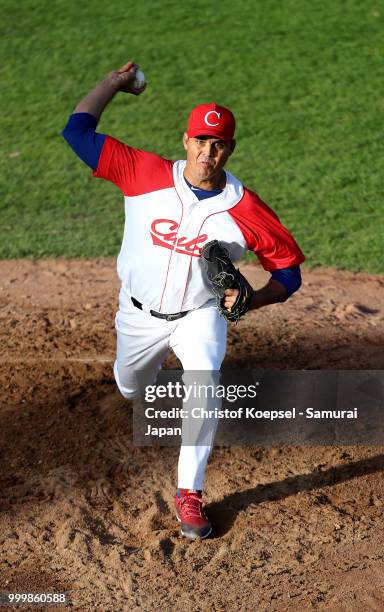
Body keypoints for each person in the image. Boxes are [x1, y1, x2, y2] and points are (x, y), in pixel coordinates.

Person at [62, 60, 305, 540]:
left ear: (229, 148)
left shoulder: (247, 209)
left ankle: (189, 493)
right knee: (133, 388)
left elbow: (289, 274)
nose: (208, 152)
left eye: (218, 144)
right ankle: (143, 382)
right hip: (137, 314)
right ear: (185, 141)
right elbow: (76, 131)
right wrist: (112, 84)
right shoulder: (142, 172)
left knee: (204, 383)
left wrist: (249, 300)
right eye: (200, 141)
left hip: (200, 315)